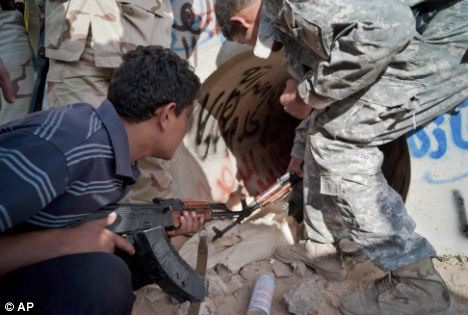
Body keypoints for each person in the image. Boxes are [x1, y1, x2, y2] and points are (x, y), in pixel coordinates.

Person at [215, 0, 468, 314]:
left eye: (249, 41)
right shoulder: (286, 24)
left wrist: (307, 94)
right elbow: (327, 101)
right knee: (326, 137)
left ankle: (418, 286)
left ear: (240, 22)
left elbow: (390, 27)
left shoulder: (289, 5)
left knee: (338, 148)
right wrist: (299, 149)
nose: (265, 47)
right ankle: (329, 247)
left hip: (440, 43)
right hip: (415, 37)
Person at [0, 46, 203, 315]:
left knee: (120, 265)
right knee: (104, 282)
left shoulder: (112, 152)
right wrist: (67, 241)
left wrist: (161, 229)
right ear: (166, 115)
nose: (186, 129)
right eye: (187, 117)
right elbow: (73, 241)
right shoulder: (66, 146)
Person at [44, 0, 176, 203]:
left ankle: (149, 232)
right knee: (79, 156)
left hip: (139, 27)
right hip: (81, 33)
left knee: (149, 165)